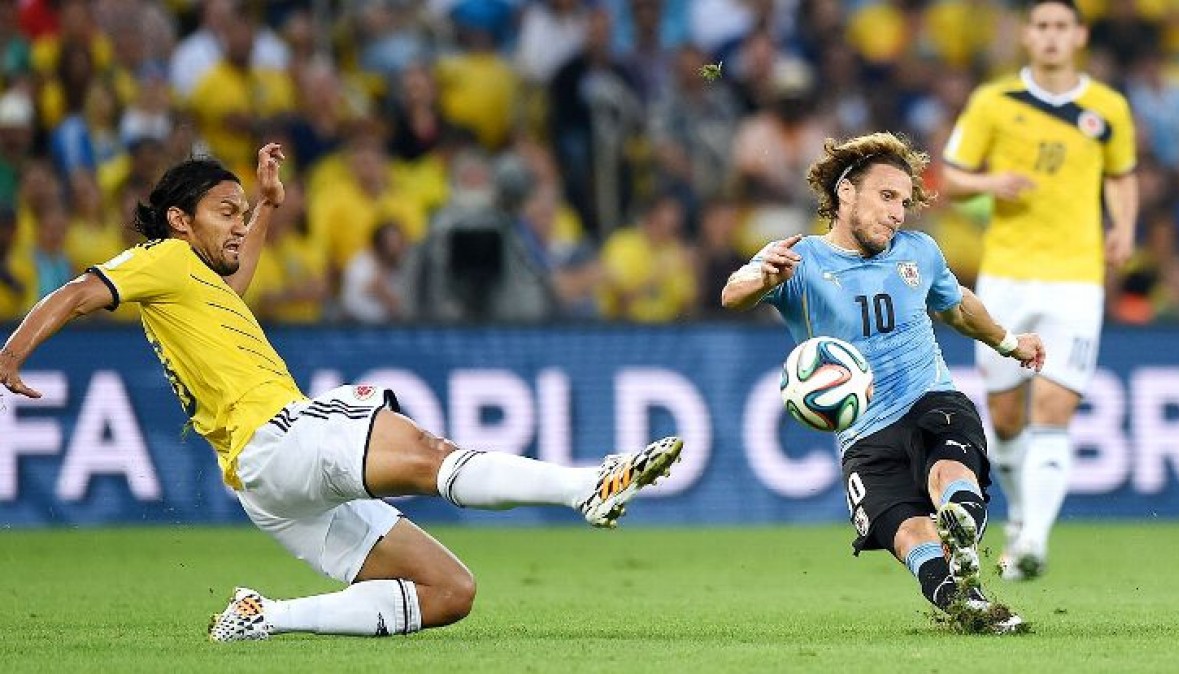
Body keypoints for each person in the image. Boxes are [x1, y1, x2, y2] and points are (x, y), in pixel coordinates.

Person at [0, 144, 684, 641]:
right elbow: (78, 291)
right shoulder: (162, 258)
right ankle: (586, 487)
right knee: (428, 452)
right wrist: (10, 352)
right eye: (225, 212)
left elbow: (234, 282)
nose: (238, 224)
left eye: (242, 212)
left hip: (263, 484)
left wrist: (268, 207)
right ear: (179, 220)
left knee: (449, 591)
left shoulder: (191, 281)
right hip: (279, 434)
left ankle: (263, 616)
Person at [721, 131, 1045, 634]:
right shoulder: (798, 259)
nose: (897, 214)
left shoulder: (918, 251)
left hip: (929, 399)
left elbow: (958, 307)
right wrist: (763, 278)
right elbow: (732, 294)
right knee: (909, 534)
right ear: (846, 191)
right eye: (887, 197)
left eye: (904, 203)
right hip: (862, 435)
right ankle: (969, 602)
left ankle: (959, 524)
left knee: (947, 472)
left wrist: (1008, 342)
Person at [940, 0, 1138, 581]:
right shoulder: (993, 101)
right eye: (1042, 26)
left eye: (1061, 27)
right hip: (1006, 275)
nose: (1052, 36)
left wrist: (1124, 226)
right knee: (1004, 418)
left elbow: (1121, 175)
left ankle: (1032, 543)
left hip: (1077, 278)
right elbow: (951, 177)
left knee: (1053, 410)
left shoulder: (1108, 107)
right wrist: (991, 181)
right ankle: (1021, 516)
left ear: (1079, 35)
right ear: (1027, 36)